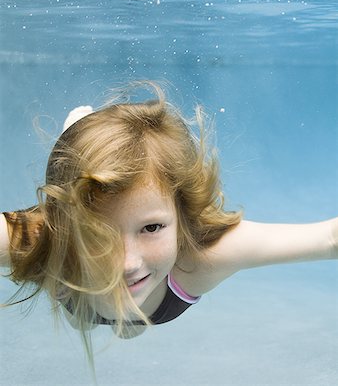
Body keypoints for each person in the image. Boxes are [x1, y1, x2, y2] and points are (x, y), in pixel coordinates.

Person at [1, 82, 337, 372]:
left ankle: (80, 149)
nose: (126, 262)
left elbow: (329, 238)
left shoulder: (203, 256)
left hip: (146, 297)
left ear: (183, 217)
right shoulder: (40, 241)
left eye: (151, 228)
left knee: (130, 327)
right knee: (96, 321)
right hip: (77, 294)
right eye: (96, 231)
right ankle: (76, 146)